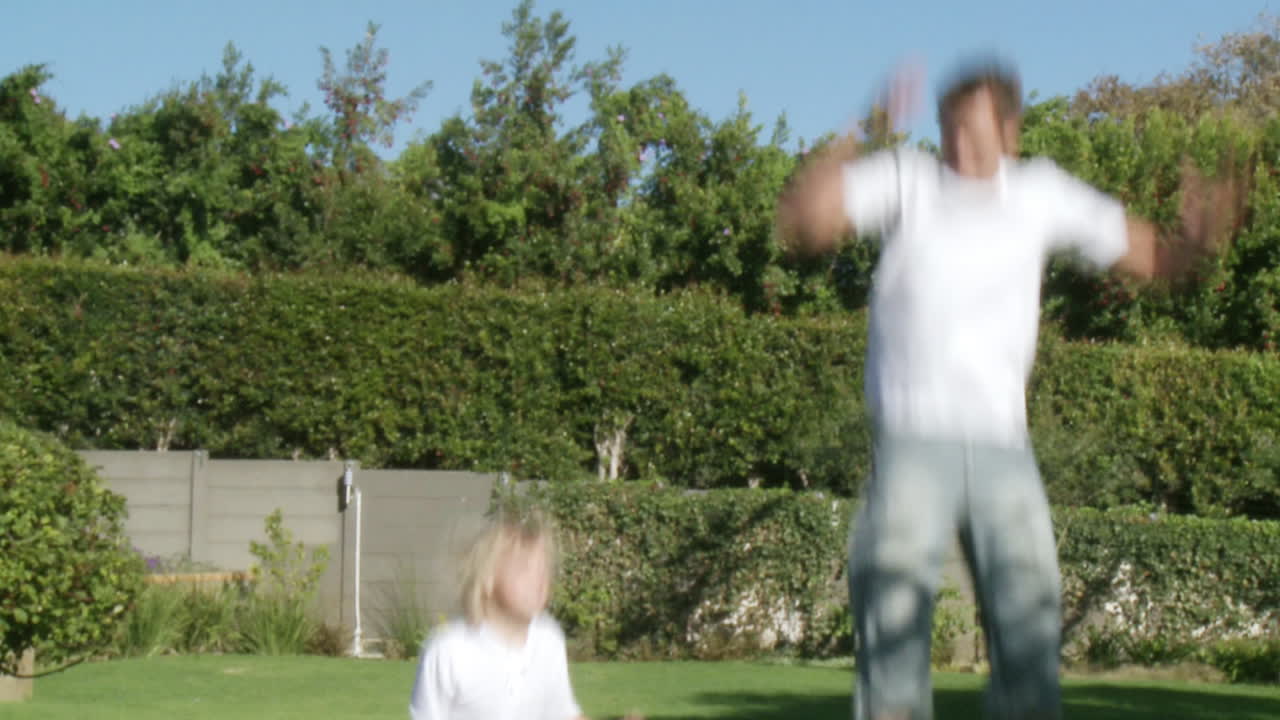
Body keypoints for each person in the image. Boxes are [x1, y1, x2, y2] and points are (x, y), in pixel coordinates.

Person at [775, 58, 1238, 720]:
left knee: (1029, 628)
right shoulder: (909, 178)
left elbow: (1153, 258)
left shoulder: (1041, 194)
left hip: (1002, 446)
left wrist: (1194, 241)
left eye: (977, 132)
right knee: (892, 625)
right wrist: (867, 127)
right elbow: (807, 220)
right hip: (912, 440)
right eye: (949, 130)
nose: (961, 148)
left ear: (1011, 130)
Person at [409, 508, 621, 720]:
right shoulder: (449, 650)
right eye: (525, 569)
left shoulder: (548, 638)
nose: (539, 580)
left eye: (543, 570)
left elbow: (563, 713)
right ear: (487, 578)